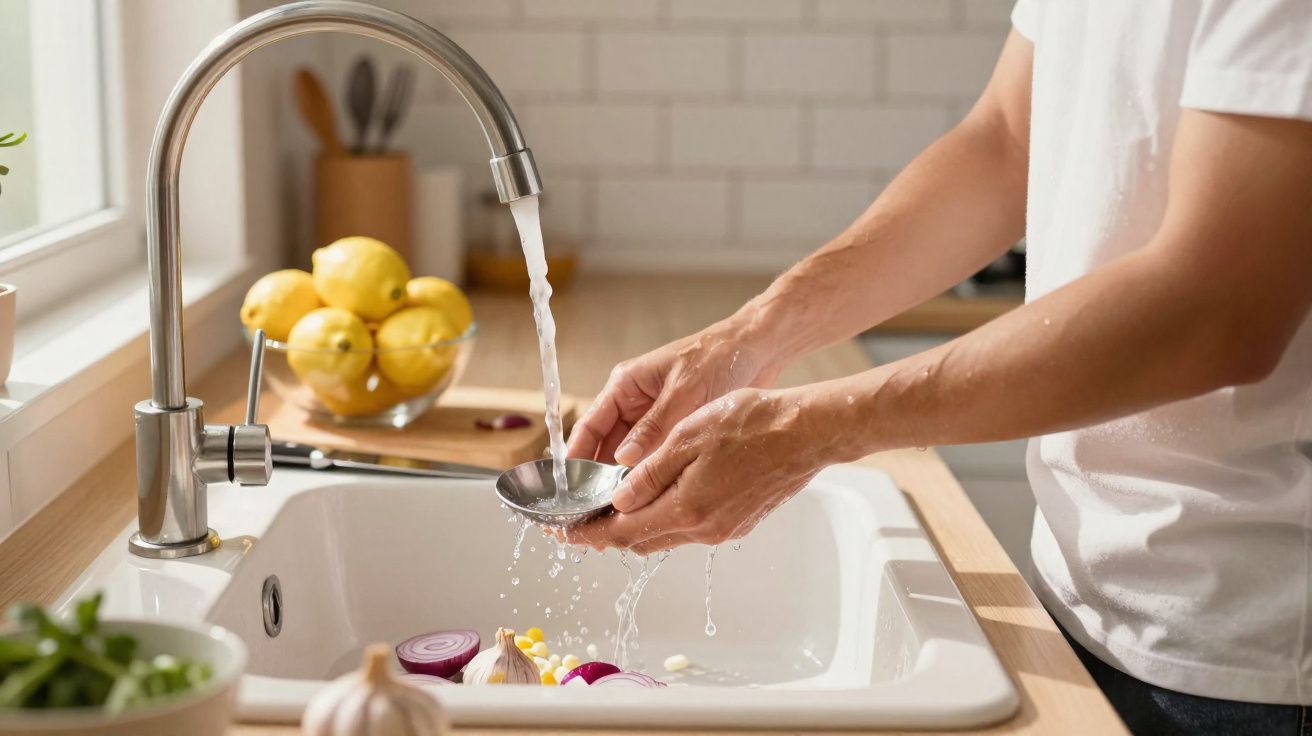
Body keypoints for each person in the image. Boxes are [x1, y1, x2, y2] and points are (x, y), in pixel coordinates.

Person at [564, 1, 1312, 733]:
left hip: (1247, 655)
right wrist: (745, 339)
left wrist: (812, 429)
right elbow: (1007, 142)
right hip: (1078, 601)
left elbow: (1219, 308)